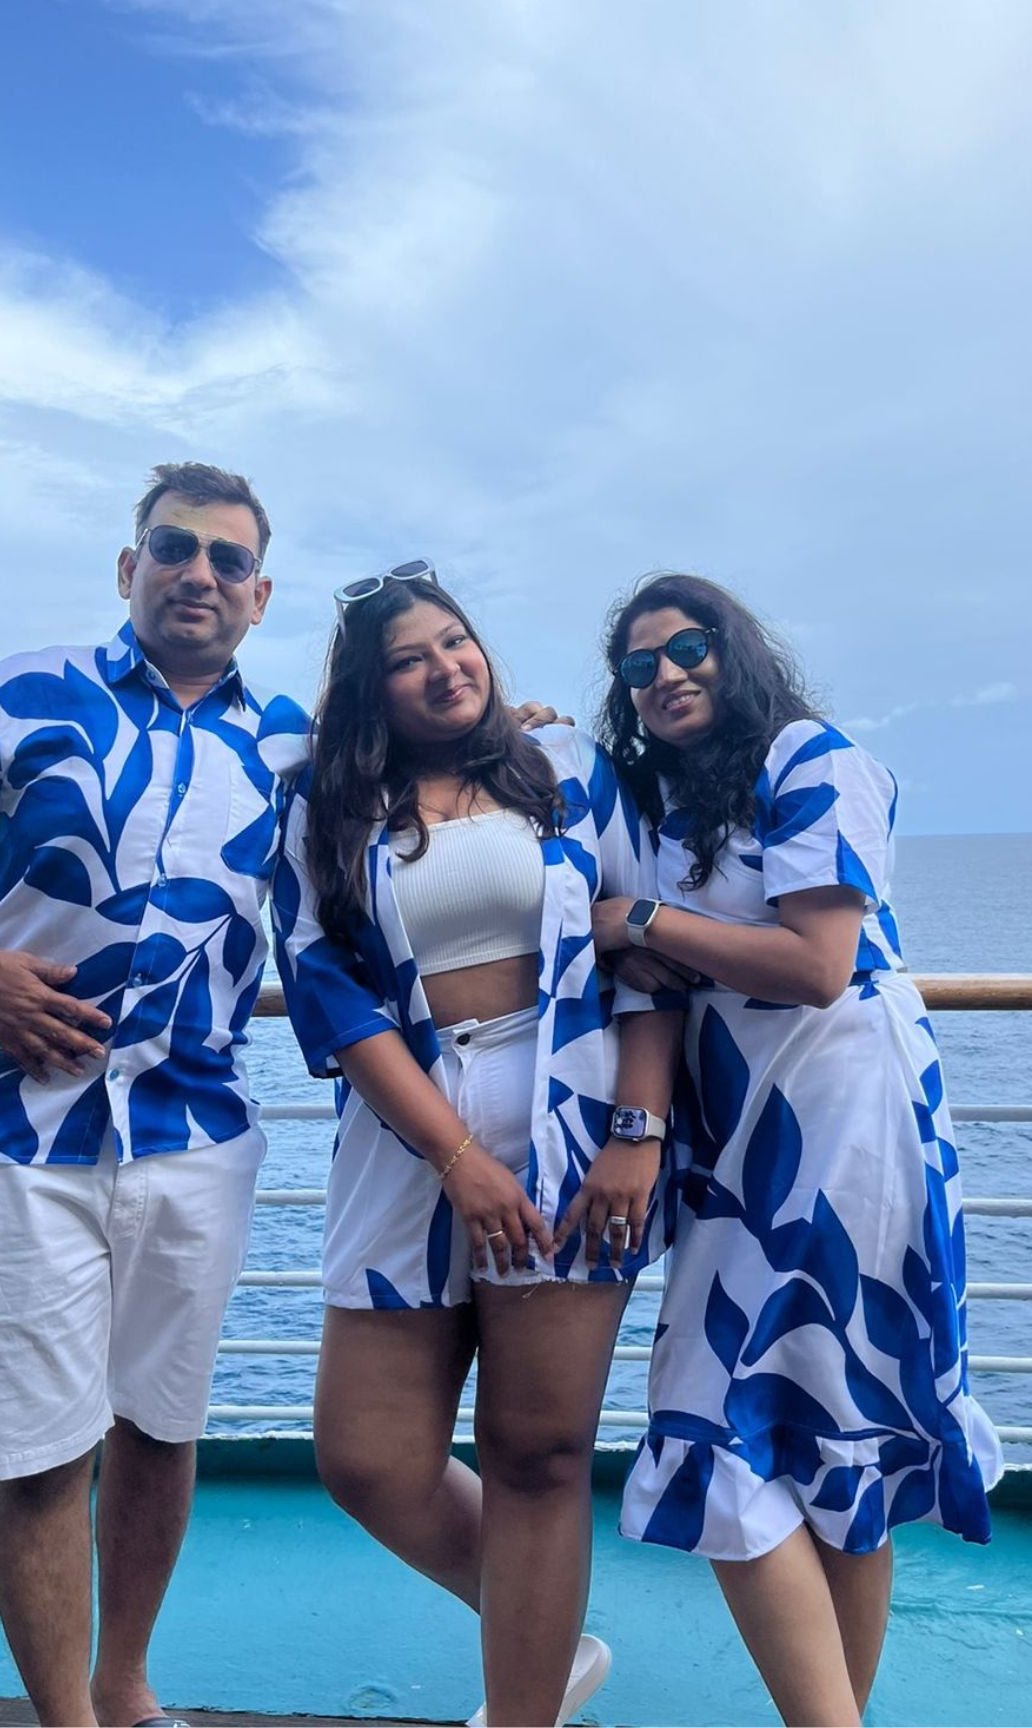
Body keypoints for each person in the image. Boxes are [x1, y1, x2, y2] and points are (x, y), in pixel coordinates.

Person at [0, 463, 310, 1728]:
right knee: (37, 1455)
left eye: (228, 559)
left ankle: (126, 1687)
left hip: (197, 1136)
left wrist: (521, 729)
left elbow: (413, 820)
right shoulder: (29, 690)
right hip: (17, 1132)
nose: (198, 573)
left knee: (160, 1430)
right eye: (174, 546)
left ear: (260, 596)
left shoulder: (295, 746)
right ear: (128, 566)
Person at [272, 566, 683, 1728]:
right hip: (407, 1126)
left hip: (576, 1121)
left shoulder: (565, 769)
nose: (445, 667)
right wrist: (457, 1156)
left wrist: (637, 1134)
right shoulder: (323, 801)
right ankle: (547, 1640)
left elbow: (650, 964)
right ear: (371, 688)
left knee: (537, 1452)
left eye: (456, 642)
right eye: (409, 659)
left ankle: (521, 1706)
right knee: (368, 1456)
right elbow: (324, 982)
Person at [590, 572, 1003, 1728]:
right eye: (639, 667)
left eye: (689, 648)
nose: (666, 675)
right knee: (800, 1431)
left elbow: (820, 964)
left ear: (737, 650)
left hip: (846, 1124)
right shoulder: (670, 807)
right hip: (739, 1139)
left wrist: (642, 923)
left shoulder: (810, 758)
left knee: (772, 1424)